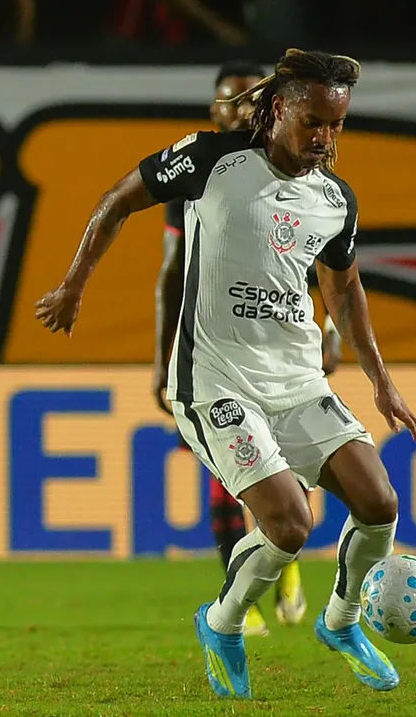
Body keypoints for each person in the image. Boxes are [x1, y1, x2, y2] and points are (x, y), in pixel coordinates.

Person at [36, 49, 416, 699]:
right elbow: (117, 200)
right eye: (313, 123)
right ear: (278, 109)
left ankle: (341, 621)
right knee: (292, 525)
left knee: (380, 504)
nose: (325, 140)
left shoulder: (334, 199)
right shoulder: (211, 160)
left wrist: (381, 379)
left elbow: (344, 288)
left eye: (336, 126)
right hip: (215, 381)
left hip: (298, 382)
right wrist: (74, 285)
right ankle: (222, 623)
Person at [157, 61, 316, 637]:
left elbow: (326, 271)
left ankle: (284, 570)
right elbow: (172, 276)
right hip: (214, 355)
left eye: (252, 101)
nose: (241, 110)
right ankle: (240, 599)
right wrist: (163, 362)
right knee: (229, 474)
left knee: (288, 468)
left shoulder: (297, 171)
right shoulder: (197, 175)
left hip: (281, 354)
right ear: (214, 111)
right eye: (231, 101)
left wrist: (336, 335)